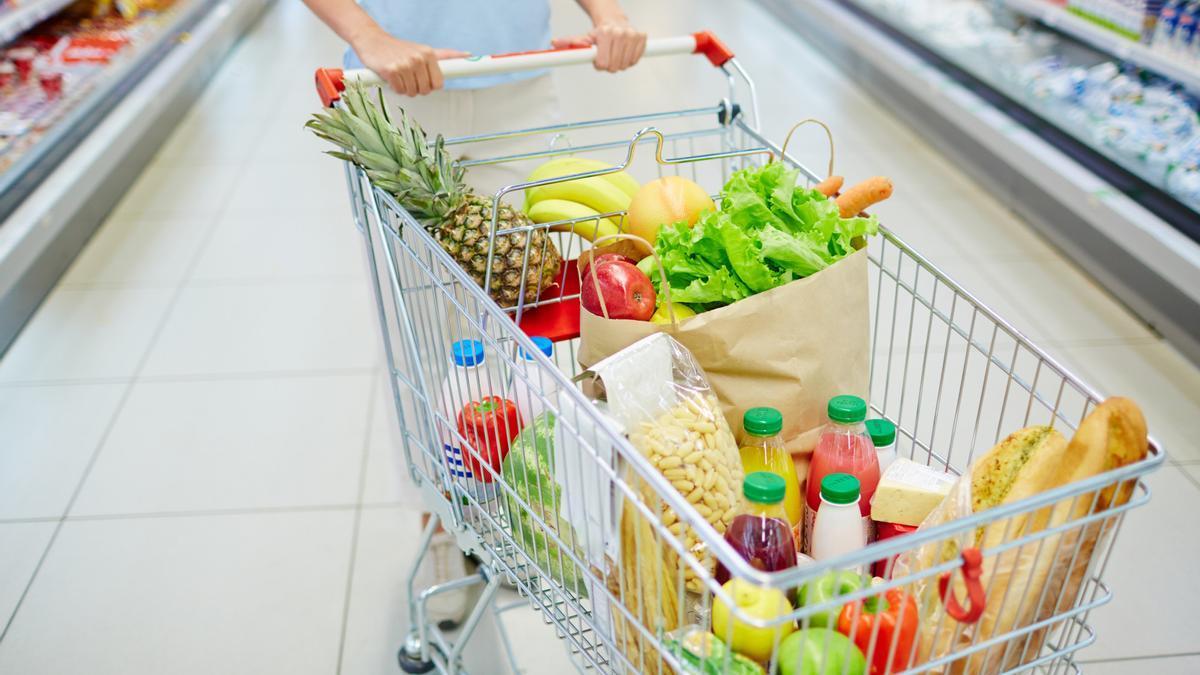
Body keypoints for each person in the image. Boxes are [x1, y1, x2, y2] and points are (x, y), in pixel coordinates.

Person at [303, 0, 646, 630]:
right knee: (422, 324)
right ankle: (439, 521)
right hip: (391, 89)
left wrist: (607, 14)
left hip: (519, 80)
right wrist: (368, 34)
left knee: (523, 312)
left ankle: (511, 508)